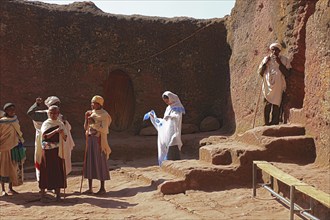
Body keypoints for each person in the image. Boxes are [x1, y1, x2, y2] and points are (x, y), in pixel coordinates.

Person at [27, 96, 75, 181]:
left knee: (56, 165)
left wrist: (64, 123)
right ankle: (43, 184)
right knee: (44, 163)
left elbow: (66, 129)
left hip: (57, 146)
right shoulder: (43, 115)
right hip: (43, 144)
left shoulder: (60, 116)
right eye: (55, 104)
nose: (58, 106)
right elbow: (31, 114)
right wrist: (37, 104)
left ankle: (56, 184)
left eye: (58, 104)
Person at [143, 91, 185, 165]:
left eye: (167, 101)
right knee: (165, 144)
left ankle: (174, 163)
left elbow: (177, 117)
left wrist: (171, 117)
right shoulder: (168, 108)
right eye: (165, 102)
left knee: (173, 143)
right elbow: (165, 120)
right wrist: (155, 118)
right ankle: (166, 163)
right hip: (167, 130)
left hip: (174, 130)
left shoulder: (178, 107)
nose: (167, 103)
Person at [83, 95, 111, 195]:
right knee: (90, 162)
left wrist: (93, 122)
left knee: (100, 162)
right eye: (91, 103)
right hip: (90, 140)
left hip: (99, 141)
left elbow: (104, 129)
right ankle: (90, 188)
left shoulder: (104, 115)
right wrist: (87, 118)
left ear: (99, 104)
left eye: (94, 103)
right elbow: (86, 127)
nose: (92, 105)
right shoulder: (92, 113)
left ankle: (102, 188)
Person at [257, 42, 291, 125]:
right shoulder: (266, 59)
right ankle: (266, 123)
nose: (274, 52)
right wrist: (265, 64)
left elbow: (287, 74)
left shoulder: (284, 60)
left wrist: (279, 63)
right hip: (267, 85)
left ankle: (275, 122)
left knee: (277, 104)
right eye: (272, 50)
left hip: (278, 85)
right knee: (267, 104)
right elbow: (261, 73)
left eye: (276, 50)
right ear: (270, 50)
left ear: (279, 51)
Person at [39, 105, 67, 202]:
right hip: (47, 152)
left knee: (57, 171)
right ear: (48, 113)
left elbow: (65, 137)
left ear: (58, 114)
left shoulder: (60, 123)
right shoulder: (46, 123)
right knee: (45, 170)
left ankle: (58, 195)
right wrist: (55, 131)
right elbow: (44, 136)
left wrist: (62, 132)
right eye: (51, 113)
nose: (53, 115)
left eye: (55, 113)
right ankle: (43, 195)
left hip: (56, 151)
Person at [0, 103, 26, 196]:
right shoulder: (2, 121)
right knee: (3, 167)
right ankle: (3, 189)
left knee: (13, 167)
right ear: (6, 111)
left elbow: (18, 132)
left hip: (15, 146)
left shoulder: (15, 119)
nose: (12, 111)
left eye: (13, 109)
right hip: (3, 148)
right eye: (10, 110)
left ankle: (10, 188)